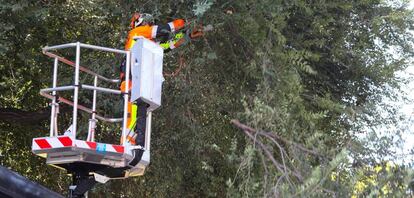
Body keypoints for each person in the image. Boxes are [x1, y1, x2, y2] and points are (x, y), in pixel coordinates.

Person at [119, 13, 203, 166]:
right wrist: (184, 21)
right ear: (140, 23)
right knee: (132, 117)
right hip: (131, 84)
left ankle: (133, 145)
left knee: (138, 117)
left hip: (139, 85)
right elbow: (164, 29)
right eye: (147, 22)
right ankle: (128, 146)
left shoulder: (148, 43)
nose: (149, 25)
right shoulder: (136, 34)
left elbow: (168, 45)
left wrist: (188, 35)